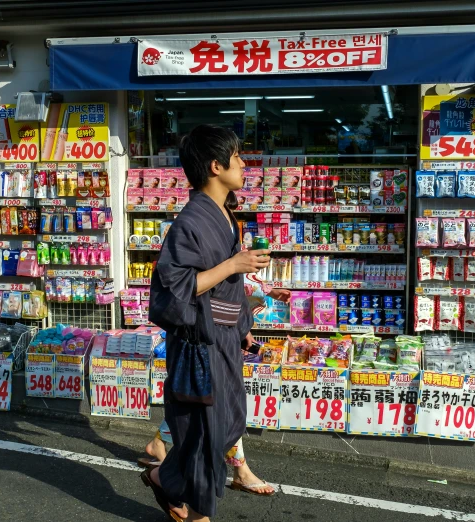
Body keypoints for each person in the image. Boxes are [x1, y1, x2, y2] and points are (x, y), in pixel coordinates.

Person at [145, 124, 271, 522]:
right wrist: (234, 264)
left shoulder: (224, 214)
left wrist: (244, 318)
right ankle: (198, 513)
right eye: (237, 158)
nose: (244, 164)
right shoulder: (189, 222)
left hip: (224, 340)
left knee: (226, 425)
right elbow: (176, 289)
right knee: (204, 434)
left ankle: (165, 478)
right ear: (216, 166)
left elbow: (223, 288)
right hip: (198, 348)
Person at [140, 281, 291, 498]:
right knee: (220, 405)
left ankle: (161, 449)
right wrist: (268, 292)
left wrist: (241, 326)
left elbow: (234, 280)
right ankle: (237, 471)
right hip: (205, 334)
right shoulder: (206, 251)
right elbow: (225, 277)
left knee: (211, 404)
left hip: (217, 332)